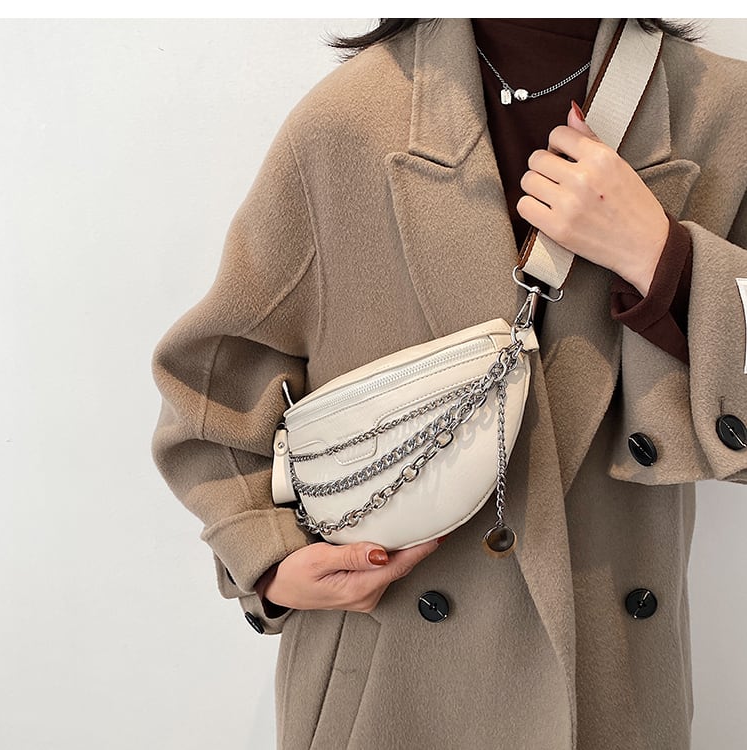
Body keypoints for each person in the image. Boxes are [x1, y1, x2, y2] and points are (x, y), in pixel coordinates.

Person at [151, 18, 747, 749]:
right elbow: (208, 383)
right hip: (394, 683)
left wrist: (663, 259)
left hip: (609, 687)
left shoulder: (722, 113)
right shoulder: (347, 122)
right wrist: (269, 558)